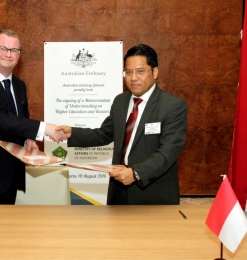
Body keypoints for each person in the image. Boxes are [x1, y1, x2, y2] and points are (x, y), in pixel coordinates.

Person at [57, 44, 187, 205]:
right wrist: (72, 133)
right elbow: (104, 134)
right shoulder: (120, 101)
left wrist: (136, 173)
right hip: (118, 190)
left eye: (140, 71)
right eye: (128, 72)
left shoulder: (172, 106)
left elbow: (168, 152)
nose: (133, 78)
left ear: (155, 72)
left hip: (152, 194)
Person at [0, 30, 65, 204]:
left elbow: (20, 120)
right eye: (3, 48)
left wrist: (28, 139)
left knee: (4, 230)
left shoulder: (19, 85)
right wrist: (46, 128)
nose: (8, 54)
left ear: (19, 55)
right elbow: (0, 119)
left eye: (14, 50)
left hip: (9, 177)